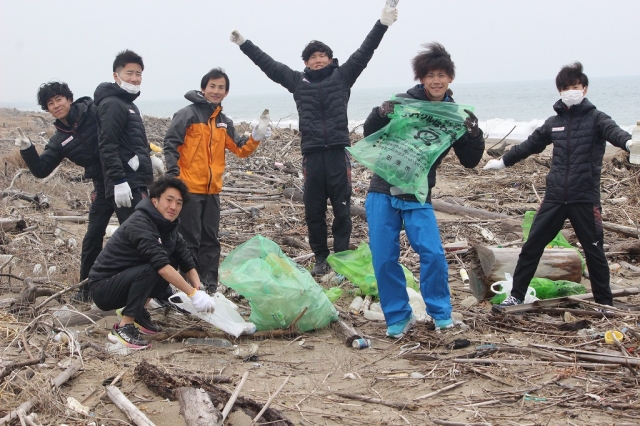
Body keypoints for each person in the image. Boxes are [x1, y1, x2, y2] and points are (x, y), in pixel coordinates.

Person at [229, 2, 398, 276]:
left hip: (338, 154)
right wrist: (245, 43)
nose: (318, 60)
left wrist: (383, 23)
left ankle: (341, 257)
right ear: (305, 63)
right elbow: (269, 65)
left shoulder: (343, 77)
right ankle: (321, 258)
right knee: (314, 211)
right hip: (312, 155)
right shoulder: (298, 82)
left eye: (323, 56)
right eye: (313, 57)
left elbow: (366, 51)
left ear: (331, 59)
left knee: (342, 210)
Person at [486, 62, 631, 310]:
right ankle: (516, 296)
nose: (570, 91)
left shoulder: (597, 118)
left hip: (584, 198)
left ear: (584, 89)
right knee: (532, 246)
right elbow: (530, 144)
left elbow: (615, 133)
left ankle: (605, 304)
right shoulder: (554, 122)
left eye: (574, 86)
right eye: (565, 88)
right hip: (554, 197)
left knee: (594, 251)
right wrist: (503, 161)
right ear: (559, 91)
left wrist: (630, 144)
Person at [363, 43, 484, 337]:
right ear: (421, 78)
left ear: (450, 78)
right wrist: (380, 112)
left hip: (417, 193)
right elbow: (370, 133)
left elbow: (470, 161)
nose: (436, 80)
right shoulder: (404, 102)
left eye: (441, 75)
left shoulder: (454, 114)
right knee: (383, 256)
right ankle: (397, 317)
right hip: (382, 188)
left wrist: (474, 133)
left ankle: (441, 314)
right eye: (430, 75)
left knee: (432, 254)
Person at [164, 68, 268, 293]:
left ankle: (209, 285)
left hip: (212, 191)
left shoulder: (223, 121)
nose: (216, 91)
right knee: (189, 239)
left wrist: (256, 137)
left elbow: (240, 148)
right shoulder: (188, 114)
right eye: (212, 86)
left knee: (210, 238)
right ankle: (188, 286)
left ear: (226, 92)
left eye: (221, 87)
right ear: (203, 88)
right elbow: (171, 143)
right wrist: (174, 178)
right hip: (189, 188)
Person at [89, 176, 215, 350]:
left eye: (178, 203)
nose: (173, 207)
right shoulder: (140, 222)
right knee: (156, 268)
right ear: (154, 201)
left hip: (126, 280)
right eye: (169, 200)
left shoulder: (169, 228)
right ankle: (124, 327)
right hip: (104, 287)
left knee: (169, 260)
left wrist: (199, 289)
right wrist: (192, 295)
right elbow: (162, 268)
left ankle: (138, 313)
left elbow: (186, 260)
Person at [15, 82, 107, 301]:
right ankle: (86, 290)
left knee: (139, 232)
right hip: (102, 186)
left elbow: (123, 128)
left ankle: (158, 289)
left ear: (69, 99)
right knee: (92, 238)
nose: (56, 105)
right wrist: (27, 149)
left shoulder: (94, 111)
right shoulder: (59, 139)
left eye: (59, 99)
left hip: (124, 178)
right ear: (47, 109)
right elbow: (41, 170)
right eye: (50, 103)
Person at [94, 49, 155, 222]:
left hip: (137, 178)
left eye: (139, 74)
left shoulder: (127, 103)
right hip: (126, 181)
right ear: (116, 76)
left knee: (138, 232)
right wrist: (119, 181)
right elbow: (107, 145)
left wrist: (149, 157)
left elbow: (132, 141)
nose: (135, 78)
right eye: (129, 73)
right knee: (139, 232)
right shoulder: (113, 104)